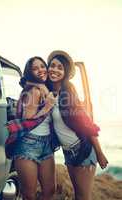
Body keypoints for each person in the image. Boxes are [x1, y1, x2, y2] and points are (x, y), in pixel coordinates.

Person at [47, 50, 108, 200]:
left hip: (83, 150)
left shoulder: (68, 91)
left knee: (83, 197)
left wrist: (100, 153)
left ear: (65, 72)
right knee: (77, 195)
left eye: (60, 67)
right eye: (52, 65)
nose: (55, 69)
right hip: (68, 153)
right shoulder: (48, 92)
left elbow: (87, 123)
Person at [13, 57, 56, 200]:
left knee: (50, 190)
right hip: (28, 144)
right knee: (29, 194)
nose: (41, 70)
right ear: (30, 72)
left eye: (42, 66)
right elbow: (27, 119)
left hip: (46, 144)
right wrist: (48, 106)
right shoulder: (33, 91)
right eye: (35, 68)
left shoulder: (45, 88)